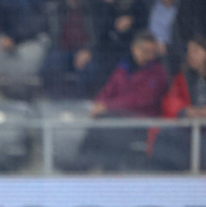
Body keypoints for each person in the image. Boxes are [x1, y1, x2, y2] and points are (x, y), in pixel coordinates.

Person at [80, 30, 169, 170]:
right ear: (134, 48)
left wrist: (107, 106)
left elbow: (140, 99)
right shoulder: (123, 67)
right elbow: (109, 89)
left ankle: (100, 167)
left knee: (109, 122)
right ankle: (82, 161)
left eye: (152, 51)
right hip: (118, 116)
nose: (148, 55)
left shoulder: (158, 73)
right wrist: (98, 103)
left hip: (143, 122)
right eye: (144, 50)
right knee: (102, 120)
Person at [150, 33, 206, 171]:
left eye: (196, 51)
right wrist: (185, 111)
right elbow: (170, 100)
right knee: (165, 135)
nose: (190, 55)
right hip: (191, 128)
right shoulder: (184, 77)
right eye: (188, 51)